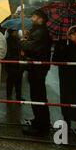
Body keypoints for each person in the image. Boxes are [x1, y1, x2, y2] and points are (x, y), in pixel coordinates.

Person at [20, 9, 52, 137]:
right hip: (35, 68)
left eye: (34, 16)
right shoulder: (38, 31)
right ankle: (38, 121)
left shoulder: (41, 32)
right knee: (36, 96)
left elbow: (30, 47)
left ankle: (42, 126)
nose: (31, 19)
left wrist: (23, 41)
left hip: (38, 69)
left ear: (41, 19)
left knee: (38, 96)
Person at [4, 29, 24, 101]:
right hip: (12, 64)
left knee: (18, 81)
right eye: (15, 31)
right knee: (11, 81)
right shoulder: (8, 41)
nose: (17, 32)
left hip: (17, 64)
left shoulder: (18, 39)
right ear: (12, 32)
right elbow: (8, 53)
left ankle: (18, 96)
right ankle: (9, 96)